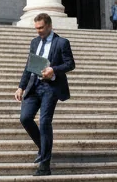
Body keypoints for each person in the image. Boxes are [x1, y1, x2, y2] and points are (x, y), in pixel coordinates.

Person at [13, 13, 74, 176]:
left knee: (45, 121)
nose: (38, 31)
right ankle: (44, 147)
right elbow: (29, 65)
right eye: (36, 28)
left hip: (51, 87)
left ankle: (44, 165)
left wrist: (54, 69)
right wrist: (21, 87)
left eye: (41, 28)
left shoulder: (61, 42)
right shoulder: (34, 42)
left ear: (49, 26)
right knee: (25, 118)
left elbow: (70, 64)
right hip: (34, 86)